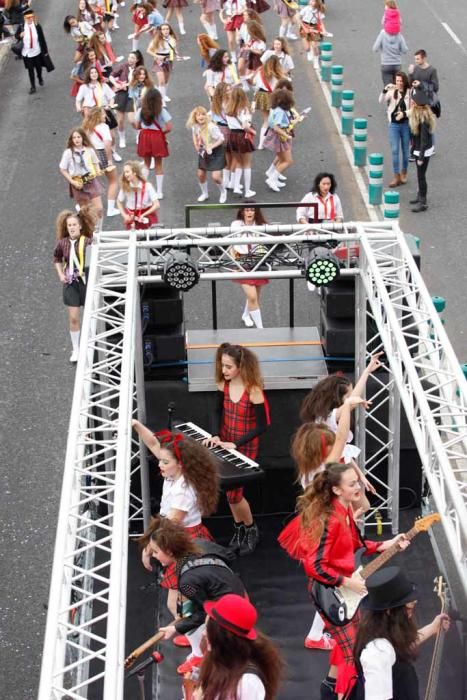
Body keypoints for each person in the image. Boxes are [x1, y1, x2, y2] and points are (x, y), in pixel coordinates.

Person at [278, 463, 409, 700]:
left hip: (343, 589)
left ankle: (329, 691)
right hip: (330, 593)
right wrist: (347, 583)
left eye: (357, 481)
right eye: (352, 484)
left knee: (349, 648)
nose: (358, 487)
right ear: (337, 490)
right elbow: (314, 566)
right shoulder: (331, 520)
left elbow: (356, 545)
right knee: (354, 656)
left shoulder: (346, 510)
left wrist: (387, 544)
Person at [132, 422, 219, 621]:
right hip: (184, 537)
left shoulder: (183, 490)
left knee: (176, 600)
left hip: (185, 541)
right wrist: (136, 424)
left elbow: (170, 524)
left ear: (180, 464)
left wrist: (149, 548)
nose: (159, 465)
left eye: (164, 462)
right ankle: (199, 631)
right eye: (160, 461)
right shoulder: (175, 473)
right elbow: (154, 443)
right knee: (186, 595)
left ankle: (196, 632)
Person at [148, 517, 246, 674]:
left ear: (170, 551)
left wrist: (176, 628)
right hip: (238, 591)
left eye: (155, 552)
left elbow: (203, 612)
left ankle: (201, 656)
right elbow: (229, 555)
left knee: (188, 611)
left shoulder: (187, 582)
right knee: (185, 608)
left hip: (230, 611)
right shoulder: (199, 543)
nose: (153, 556)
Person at [204, 343, 270, 554]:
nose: (224, 370)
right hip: (225, 440)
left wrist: (237, 443)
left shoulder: (253, 390)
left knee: (234, 494)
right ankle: (240, 529)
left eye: (228, 367)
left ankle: (250, 530)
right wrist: (215, 434)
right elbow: (215, 411)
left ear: (241, 367)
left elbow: (262, 425)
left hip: (244, 445)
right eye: (222, 366)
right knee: (231, 492)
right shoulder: (223, 385)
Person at [353, 566, 450, 700]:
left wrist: (432, 628)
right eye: (409, 608)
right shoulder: (378, 652)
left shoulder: (382, 628)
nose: (411, 615)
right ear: (389, 611)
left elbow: (400, 646)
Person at [195, 593, 284, 699]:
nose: (204, 633)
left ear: (221, 637)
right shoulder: (217, 659)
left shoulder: (247, 683)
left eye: (208, 628)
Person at [53, 207, 96, 362]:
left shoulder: (88, 242)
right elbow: (57, 258)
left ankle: (91, 348)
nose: (71, 227)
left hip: (87, 282)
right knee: (73, 317)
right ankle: (76, 349)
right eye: (69, 225)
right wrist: (61, 274)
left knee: (91, 316)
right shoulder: (62, 243)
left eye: (73, 225)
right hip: (71, 283)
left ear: (80, 226)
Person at [230, 206, 269, 327]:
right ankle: (261, 329)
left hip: (257, 261)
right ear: (242, 212)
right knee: (252, 296)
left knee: (255, 296)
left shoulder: (261, 225)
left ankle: (246, 315)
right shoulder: (236, 224)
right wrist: (236, 262)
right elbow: (231, 244)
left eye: (252, 210)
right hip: (242, 262)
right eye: (247, 210)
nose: (249, 212)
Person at [59, 128, 104, 224]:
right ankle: (91, 232)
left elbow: (95, 163)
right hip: (78, 183)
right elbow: (63, 169)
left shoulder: (89, 150)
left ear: (83, 138)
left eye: (78, 137)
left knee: (99, 208)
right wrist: (72, 182)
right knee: (86, 212)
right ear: (71, 140)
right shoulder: (68, 153)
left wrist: (98, 170)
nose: (76, 139)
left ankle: (99, 230)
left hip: (91, 180)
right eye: (74, 137)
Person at [82, 107, 120, 217]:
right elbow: (107, 145)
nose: (106, 116)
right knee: (113, 181)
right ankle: (111, 209)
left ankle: (84, 205)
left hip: (90, 157)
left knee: (91, 183)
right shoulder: (104, 127)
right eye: (104, 114)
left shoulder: (87, 128)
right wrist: (109, 160)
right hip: (102, 154)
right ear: (98, 116)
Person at [135, 87, 172, 199]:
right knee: (158, 164)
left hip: (145, 136)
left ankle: (144, 190)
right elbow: (169, 127)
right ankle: (159, 191)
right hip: (157, 136)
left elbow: (137, 126)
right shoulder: (161, 111)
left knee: (146, 164)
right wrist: (161, 132)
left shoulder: (141, 111)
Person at [264, 86, 303, 191]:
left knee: (281, 158)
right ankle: (272, 179)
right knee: (288, 161)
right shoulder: (281, 111)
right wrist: (287, 135)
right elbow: (277, 127)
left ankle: (274, 177)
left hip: (276, 135)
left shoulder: (275, 108)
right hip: (279, 136)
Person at [186, 106, 227, 203]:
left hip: (216, 151)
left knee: (216, 177)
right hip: (204, 151)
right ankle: (205, 193)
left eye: (203, 114)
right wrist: (197, 146)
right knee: (200, 174)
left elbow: (221, 139)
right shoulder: (195, 126)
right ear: (195, 117)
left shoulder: (212, 127)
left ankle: (223, 191)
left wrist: (211, 147)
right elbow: (195, 136)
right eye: (198, 115)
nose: (201, 117)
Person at [379, 71, 410, 187]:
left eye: (401, 81)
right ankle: (396, 176)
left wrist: (404, 113)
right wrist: (385, 90)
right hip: (394, 125)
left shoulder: (409, 92)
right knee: (395, 150)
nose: (399, 83)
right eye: (397, 81)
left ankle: (404, 172)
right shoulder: (392, 92)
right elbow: (380, 100)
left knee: (406, 151)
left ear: (404, 81)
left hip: (406, 124)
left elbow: (414, 108)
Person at [225, 85, 256, 197]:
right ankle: (248, 191)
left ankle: (236, 186)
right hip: (242, 136)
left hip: (232, 136)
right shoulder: (244, 109)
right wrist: (253, 131)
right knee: (247, 164)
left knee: (238, 161)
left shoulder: (228, 108)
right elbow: (245, 125)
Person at [408, 86, 436, 213]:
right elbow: (416, 137)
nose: (412, 103)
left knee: (421, 176)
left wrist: (420, 157)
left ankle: (423, 201)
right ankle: (420, 196)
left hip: (423, 151)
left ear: (418, 105)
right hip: (419, 149)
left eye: (413, 102)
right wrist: (413, 149)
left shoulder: (423, 119)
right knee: (420, 175)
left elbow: (424, 140)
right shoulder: (418, 115)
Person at [109, 51, 144, 148]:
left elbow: (140, 81)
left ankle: (138, 133)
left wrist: (127, 85)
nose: (130, 59)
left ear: (137, 60)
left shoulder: (139, 69)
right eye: (129, 57)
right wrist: (116, 84)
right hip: (121, 94)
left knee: (132, 120)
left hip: (132, 95)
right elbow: (111, 76)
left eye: (132, 58)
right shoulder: (123, 66)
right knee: (120, 120)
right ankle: (122, 138)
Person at [253, 54, 286, 150]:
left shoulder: (260, 71)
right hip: (272, 96)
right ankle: (278, 140)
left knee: (266, 120)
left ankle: (261, 144)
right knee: (277, 119)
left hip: (261, 95)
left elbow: (254, 82)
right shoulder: (277, 75)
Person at [117, 160, 160, 229]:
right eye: (124, 172)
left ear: (134, 173)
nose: (125, 174)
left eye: (127, 172)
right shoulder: (125, 186)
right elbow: (119, 201)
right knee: (133, 237)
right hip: (131, 215)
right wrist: (125, 216)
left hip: (147, 215)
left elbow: (157, 204)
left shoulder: (147, 186)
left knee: (150, 237)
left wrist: (143, 214)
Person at [17, 6, 49, 94]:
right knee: (30, 70)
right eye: (27, 18)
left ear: (33, 17)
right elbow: (16, 36)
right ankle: (33, 86)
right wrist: (20, 35)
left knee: (38, 68)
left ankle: (40, 77)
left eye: (31, 17)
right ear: (25, 18)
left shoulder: (37, 26)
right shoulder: (22, 27)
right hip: (27, 53)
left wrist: (45, 51)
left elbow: (42, 39)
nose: (30, 19)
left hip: (37, 51)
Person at [147, 23, 178, 105]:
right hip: (159, 61)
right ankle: (161, 100)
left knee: (166, 80)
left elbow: (173, 50)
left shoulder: (172, 39)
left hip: (168, 61)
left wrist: (176, 56)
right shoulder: (156, 40)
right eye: (163, 29)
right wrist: (157, 56)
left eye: (167, 29)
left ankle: (164, 95)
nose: (165, 31)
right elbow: (149, 50)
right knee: (161, 81)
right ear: (160, 31)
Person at [299, 0, 326, 68]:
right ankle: (309, 51)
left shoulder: (318, 11)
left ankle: (316, 61)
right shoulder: (306, 9)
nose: (311, 2)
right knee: (307, 47)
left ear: (317, 3)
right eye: (310, 1)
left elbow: (321, 22)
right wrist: (303, 26)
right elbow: (299, 18)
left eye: (313, 1)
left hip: (314, 27)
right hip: (305, 26)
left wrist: (324, 30)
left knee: (314, 46)